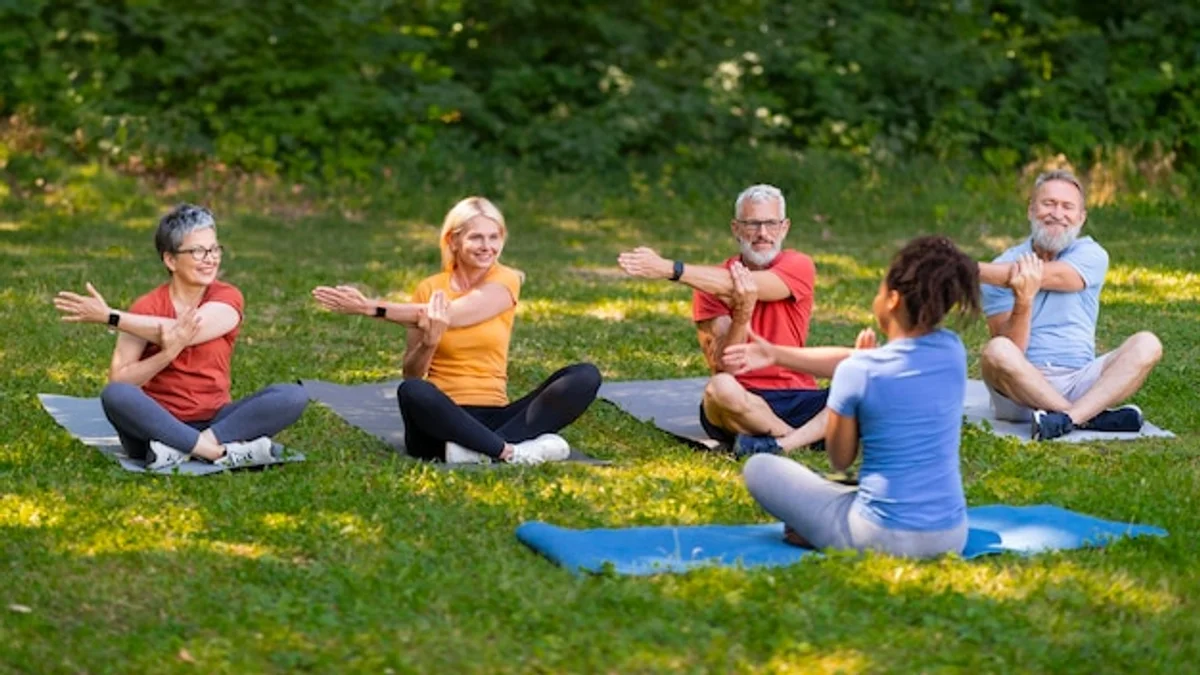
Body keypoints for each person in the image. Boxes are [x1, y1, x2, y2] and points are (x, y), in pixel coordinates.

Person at [738, 235, 980, 558]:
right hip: (950, 536)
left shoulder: (858, 372)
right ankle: (817, 525)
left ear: (892, 299)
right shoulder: (953, 351)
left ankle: (815, 530)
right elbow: (877, 363)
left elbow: (841, 459)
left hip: (877, 537)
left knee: (759, 468)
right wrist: (776, 354)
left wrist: (848, 384)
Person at [312, 196, 601, 464]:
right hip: (441, 420)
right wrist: (429, 342)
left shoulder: (506, 279)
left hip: (498, 416)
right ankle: (512, 451)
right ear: (453, 241)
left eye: (494, 237)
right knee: (412, 391)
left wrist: (370, 308)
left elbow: (453, 315)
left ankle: (488, 449)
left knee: (584, 376)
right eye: (476, 237)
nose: (487, 246)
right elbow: (412, 373)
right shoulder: (429, 288)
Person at [53, 204, 309, 470]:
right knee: (115, 394)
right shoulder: (146, 307)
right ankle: (218, 452)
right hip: (156, 427)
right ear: (171, 260)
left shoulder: (227, 296)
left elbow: (187, 331)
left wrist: (112, 317)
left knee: (293, 396)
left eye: (214, 249)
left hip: (217, 421)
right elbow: (121, 379)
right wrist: (166, 354)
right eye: (198, 251)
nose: (210, 259)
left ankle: (195, 448)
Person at [618, 184, 832, 457]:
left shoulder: (798, 264)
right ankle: (796, 439)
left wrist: (672, 269)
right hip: (741, 400)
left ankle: (774, 441)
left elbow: (748, 285)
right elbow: (723, 366)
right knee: (719, 388)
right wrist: (741, 318)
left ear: (785, 228)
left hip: (799, 395)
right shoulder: (708, 284)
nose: (763, 233)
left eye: (771, 223)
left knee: (868, 384)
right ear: (736, 229)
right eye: (752, 224)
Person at [977, 170, 1162, 441]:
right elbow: (1011, 350)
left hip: (1080, 380)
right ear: (1031, 210)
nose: (1057, 213)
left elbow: (1057, 276)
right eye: (1048, 204)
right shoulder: (1000, 265)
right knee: (996, 351)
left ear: (1081, 217)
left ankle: (1065, 419)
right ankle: (1088, 417)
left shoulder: (1092, 254)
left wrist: (968, 269)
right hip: (1022, 390)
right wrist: (1023, 301)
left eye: (1067, 207)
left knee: (1148, 344)